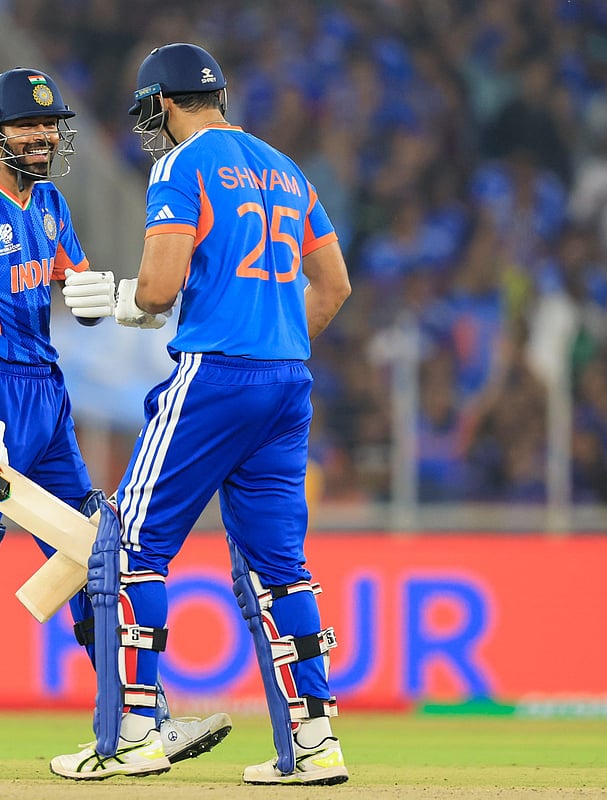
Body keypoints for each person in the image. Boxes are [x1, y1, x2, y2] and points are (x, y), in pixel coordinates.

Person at [0, 66, 230, 779]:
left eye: (49, 124)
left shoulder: (53, 203)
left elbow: (74, 284)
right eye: (26, 126)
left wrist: (92, 296)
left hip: (47, 389)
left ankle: (135, 724)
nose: (41, 136)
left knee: (98, 550)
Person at [49, 43, 351, 785]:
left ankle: (134, 735)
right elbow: (334, 286)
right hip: (287, 383)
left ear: (166, 102)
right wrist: (272, 343)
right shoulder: (286, 168)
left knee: (126, 546)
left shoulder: (180, 167)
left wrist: (126, 301)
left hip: (215, 376)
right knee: (281, 569)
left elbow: (158, 287)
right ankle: (314, 745)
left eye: (149, 108)